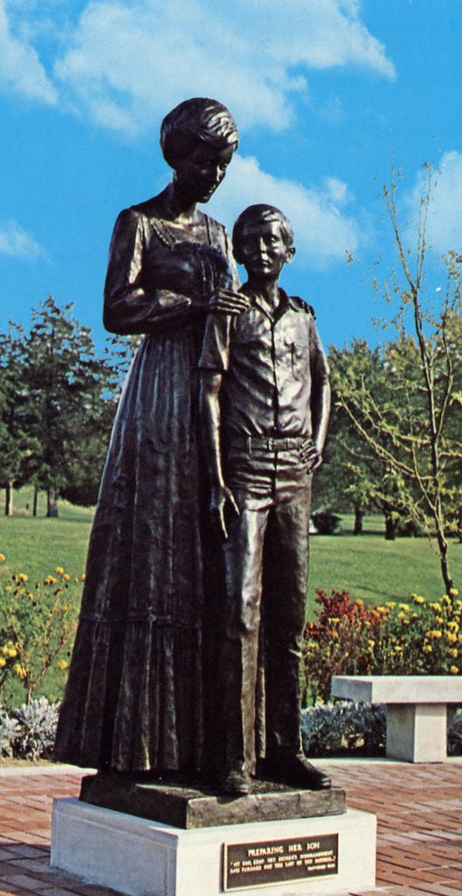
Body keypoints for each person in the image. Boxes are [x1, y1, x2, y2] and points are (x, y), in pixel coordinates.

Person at [54, 98, 247, 776]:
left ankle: (194, 745)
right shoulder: (138, 224)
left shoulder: (220, 235)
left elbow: (232, 315)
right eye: (205, 162)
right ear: (177, 157)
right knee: (148, 554)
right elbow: (116, 308)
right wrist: (187, 306)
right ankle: (130, 745)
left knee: (198, 557)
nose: (216, 175)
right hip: (157, 399)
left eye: (224, 164)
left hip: (205, 397)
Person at [199, 204, 332, 795]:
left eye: (272, 240)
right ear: (238, 251)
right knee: (241, 611)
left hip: (295, 477)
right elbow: (208, 391)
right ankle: (234, 758)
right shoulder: (230, 312)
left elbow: (325, 384)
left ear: (289, 250)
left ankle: (285, 750)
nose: (260, 249)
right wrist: (217, 478)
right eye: (250, 241)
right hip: (247, 469)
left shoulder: (303, 317)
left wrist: (318, 446)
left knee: (290, 618)